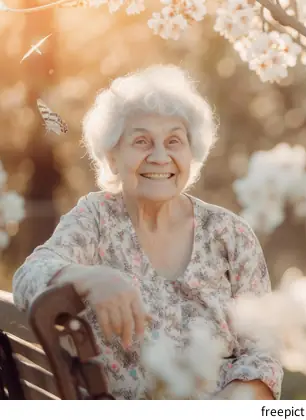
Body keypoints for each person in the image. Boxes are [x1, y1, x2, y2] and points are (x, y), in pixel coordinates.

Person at [11, 64, 283, 400]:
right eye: (141, 141)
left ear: (191, 153)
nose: (159, 156)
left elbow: (263, 352)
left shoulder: (230, 234)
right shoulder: (96, 219)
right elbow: (27, 280)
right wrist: (91, 279)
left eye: (174, 141)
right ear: (112, 156)